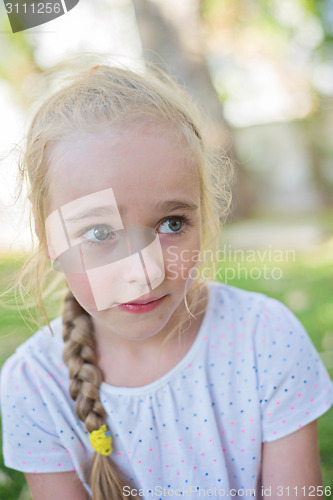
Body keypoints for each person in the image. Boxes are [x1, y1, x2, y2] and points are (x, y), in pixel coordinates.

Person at [1, 61, 332, 500]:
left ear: (205, 216)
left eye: (172, 223)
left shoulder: (265, 339)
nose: (145, 271)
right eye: (99, 234)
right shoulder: (34, 384)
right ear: (48, 244)